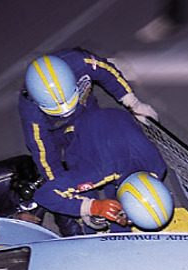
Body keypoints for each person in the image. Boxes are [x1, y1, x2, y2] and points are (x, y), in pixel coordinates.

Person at [19, 47, 157, 187]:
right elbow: (43, 152)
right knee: (81, 163)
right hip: (61, 130)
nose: (66, 111)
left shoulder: (81, 62)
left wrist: (134, 104)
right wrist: (60, 184)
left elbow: (108, 72)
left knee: (110, 146)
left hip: (88, 109)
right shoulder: (31, 113)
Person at [33, 107, 168, 233]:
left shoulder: (158, 167)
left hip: (118, 116)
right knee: (86, 193)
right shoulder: (96, 171)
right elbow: (44, 195)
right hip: (79, 126)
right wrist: (91, 207)